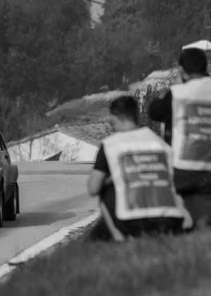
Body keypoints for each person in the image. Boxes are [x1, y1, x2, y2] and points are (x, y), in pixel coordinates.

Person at [87, 96, 189, 242]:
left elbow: (93, 188)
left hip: (131, 223)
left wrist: (112, 179)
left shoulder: (110, 145)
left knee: (104, 187)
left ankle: (118, 236)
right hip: (168, 220)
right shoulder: (160, 143)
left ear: (113, 119)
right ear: (137, 116)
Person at [148, 47, 211, 228]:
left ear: (182, 70)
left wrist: (172, 89)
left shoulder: (178, 93)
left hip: (186, 167)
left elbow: (155, 112)